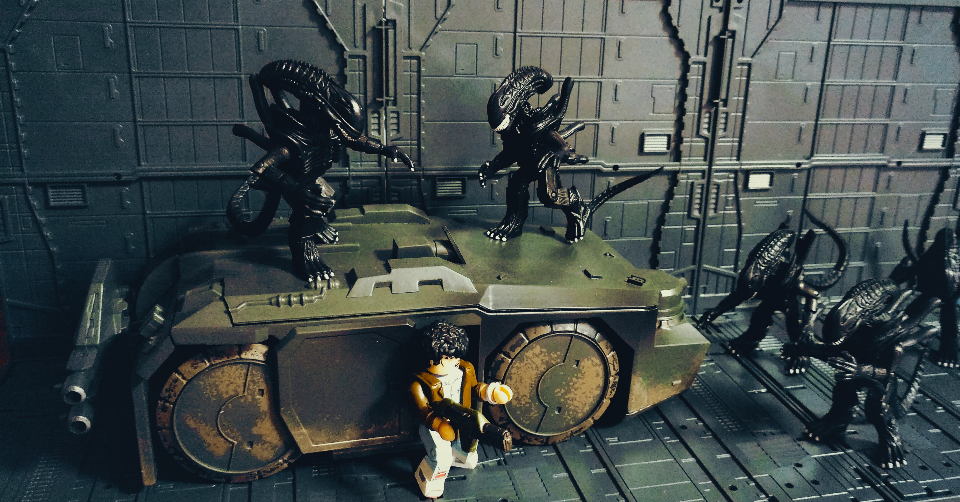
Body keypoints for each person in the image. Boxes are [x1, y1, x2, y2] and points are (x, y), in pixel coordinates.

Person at [410, 321, 513, 499]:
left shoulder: (464, 370)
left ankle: (459, 457)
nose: (455, 361)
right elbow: (423, 410)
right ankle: (429, 479)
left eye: (456, 356)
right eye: (448, 358)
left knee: (468, 448)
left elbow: (474, 388)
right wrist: (439, 425)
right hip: (434, 424)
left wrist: (491, 392)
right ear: (430, 358)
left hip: (461, 418)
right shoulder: (420, 383)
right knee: (441, 455)